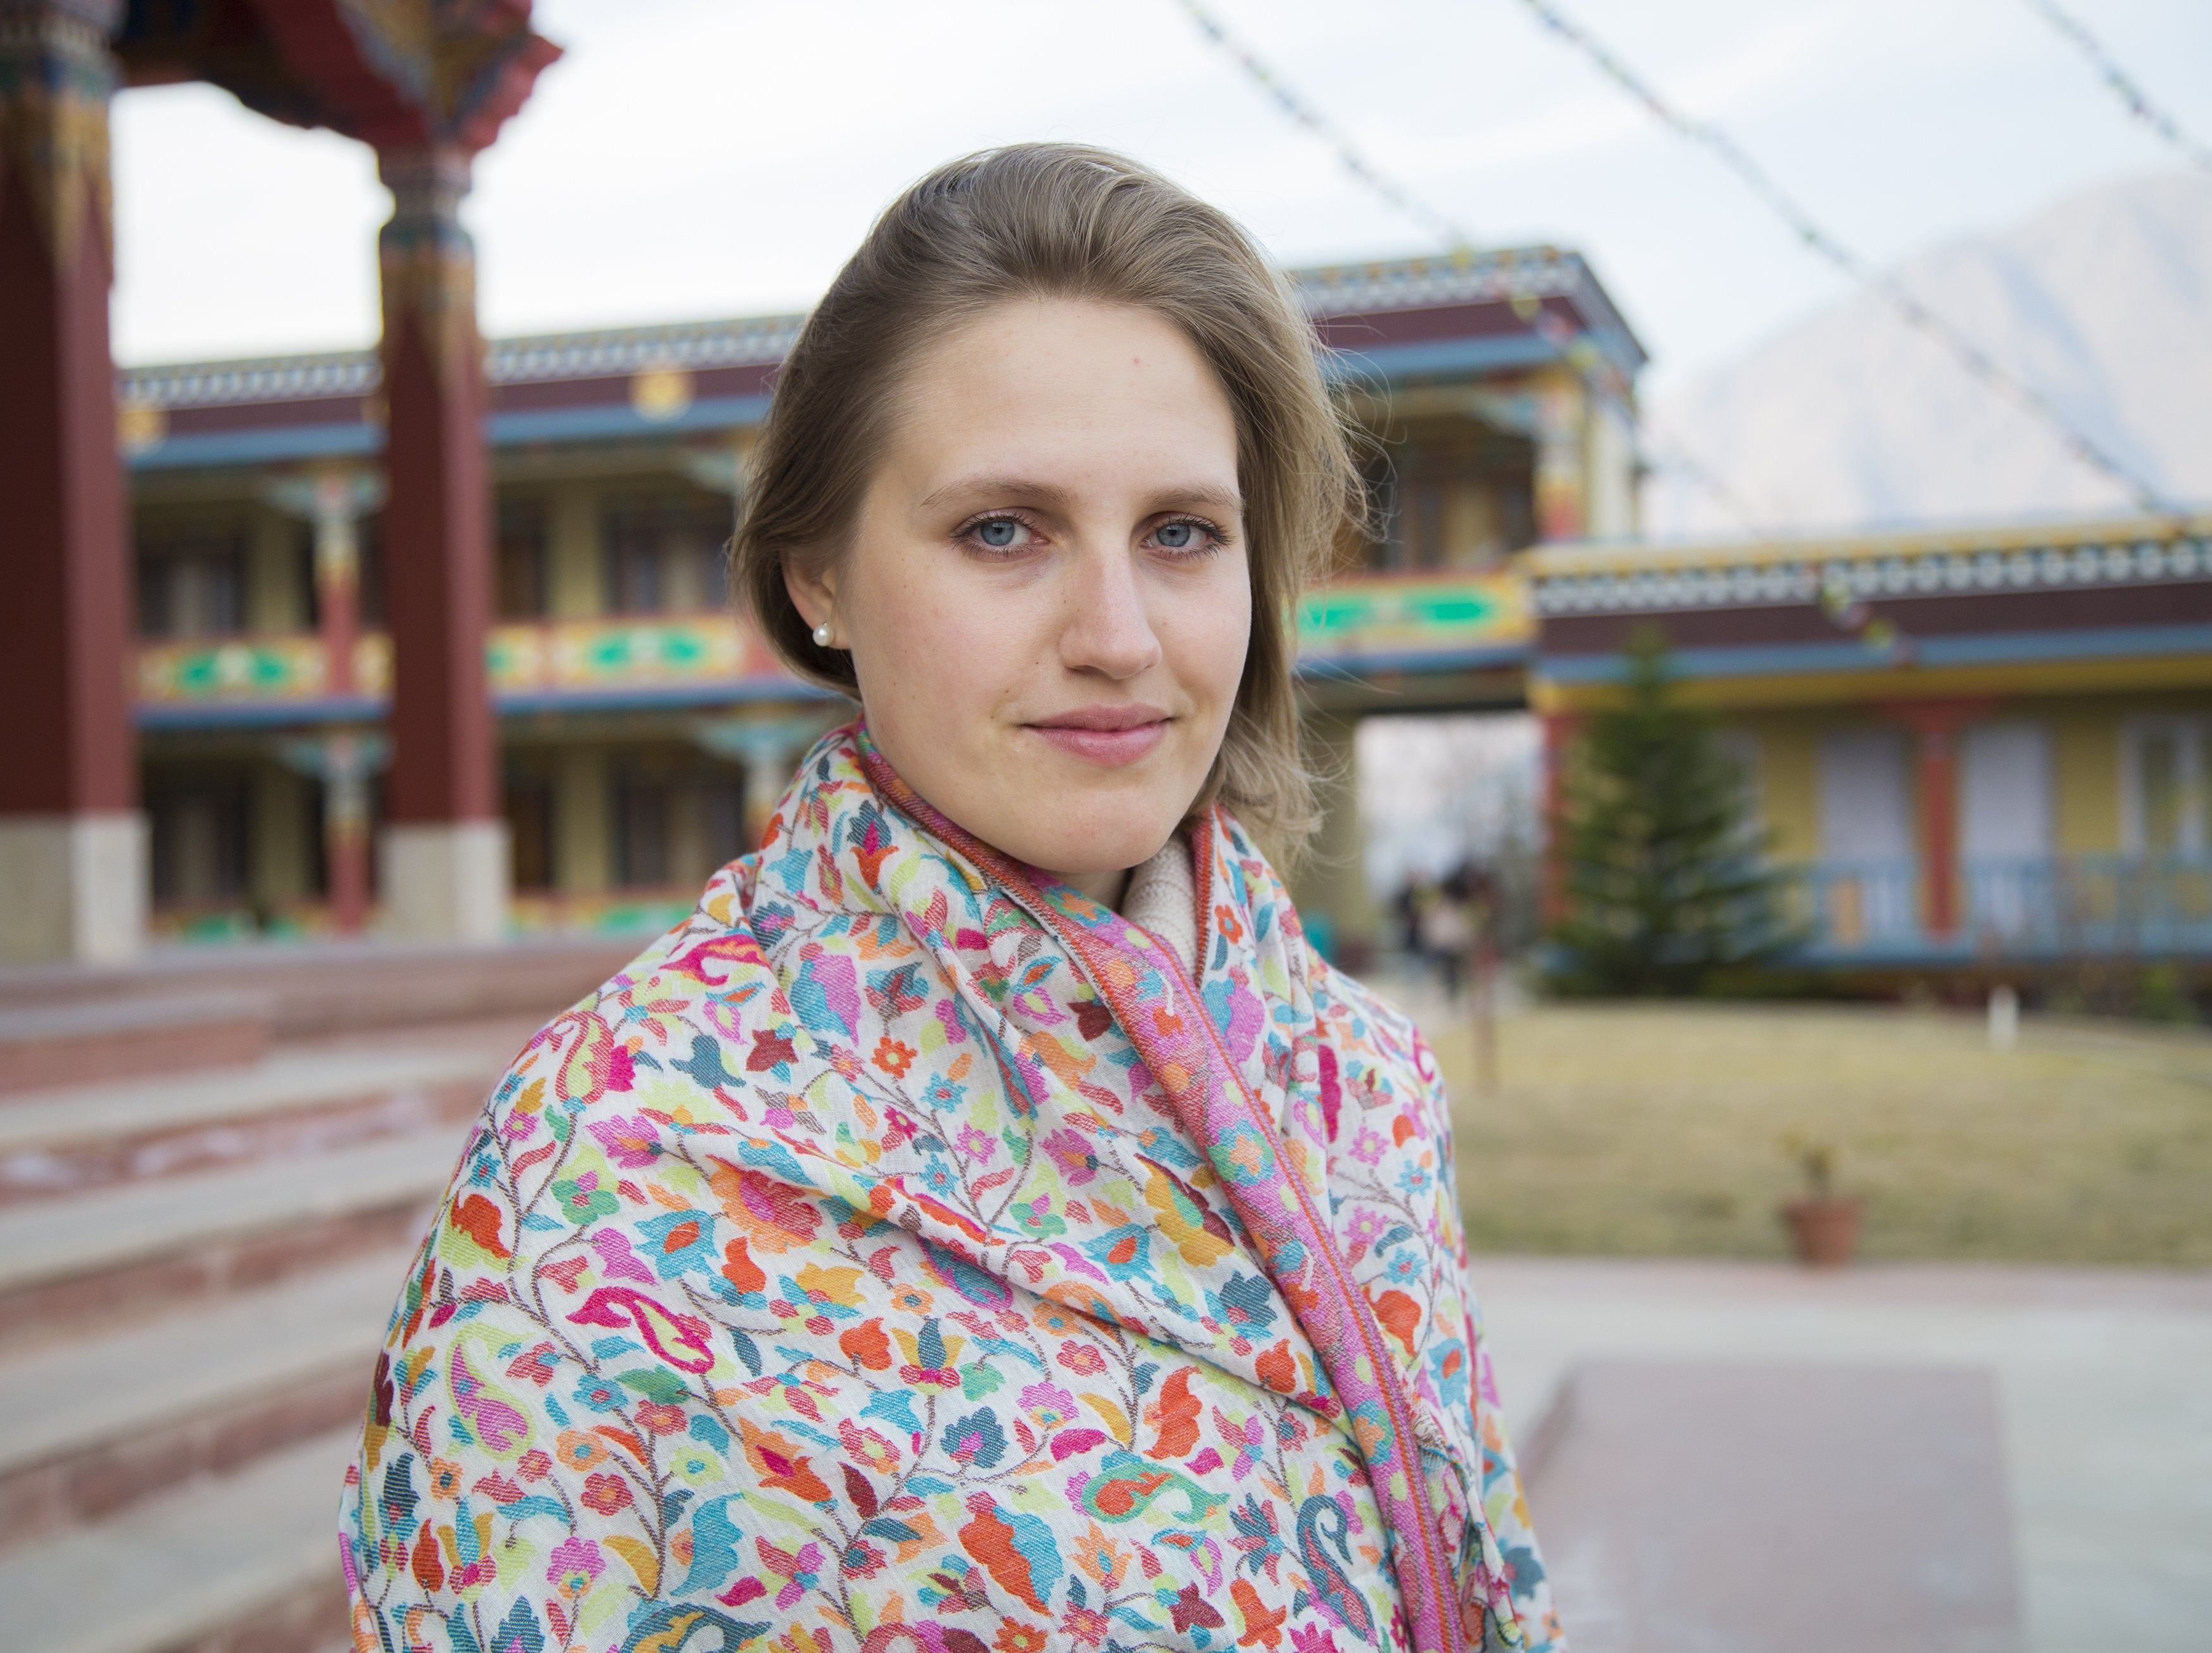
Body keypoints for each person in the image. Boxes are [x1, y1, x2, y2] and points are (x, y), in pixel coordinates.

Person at [337, 143, 1560, 1653]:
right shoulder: (612, 1175)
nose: (1116, 634)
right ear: (817, 579)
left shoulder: (1359, 1082)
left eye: (1181, 533)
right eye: (1003, 531)